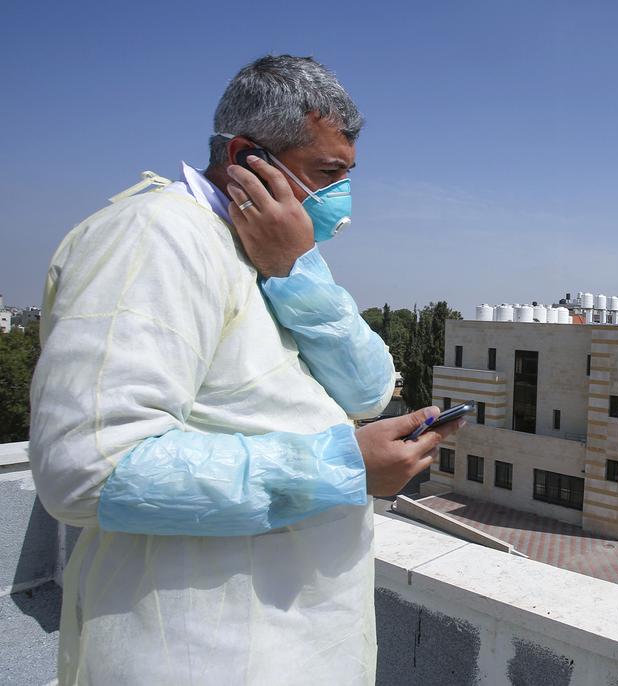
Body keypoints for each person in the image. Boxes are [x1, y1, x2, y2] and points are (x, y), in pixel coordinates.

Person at [28, 55, 459, 685]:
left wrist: (295, 267)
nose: (341, 197)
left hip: (298, 647)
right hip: (201, 653)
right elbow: (87, 469)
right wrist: (341, 467)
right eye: (328, 173)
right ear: (243, 158)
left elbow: (368, 388)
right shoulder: (154, 237)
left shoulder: (268, 251)